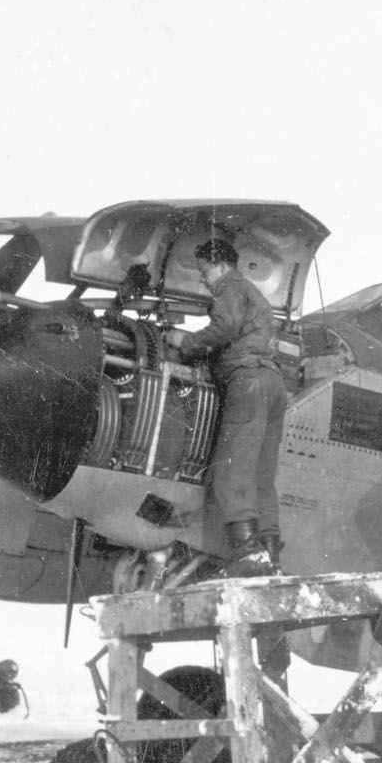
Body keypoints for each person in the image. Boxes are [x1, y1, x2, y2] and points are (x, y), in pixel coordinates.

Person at [172, 238, 288, 575]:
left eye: (204, 271)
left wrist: (187, 342)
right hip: (273, 384)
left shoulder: (231, 289)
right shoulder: (254, 294)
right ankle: (270, 558)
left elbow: (224, 327)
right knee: (261, 478)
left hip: (247, 383)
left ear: (220, 266)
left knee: (229, 472)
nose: (203, 280)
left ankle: (248, 556)